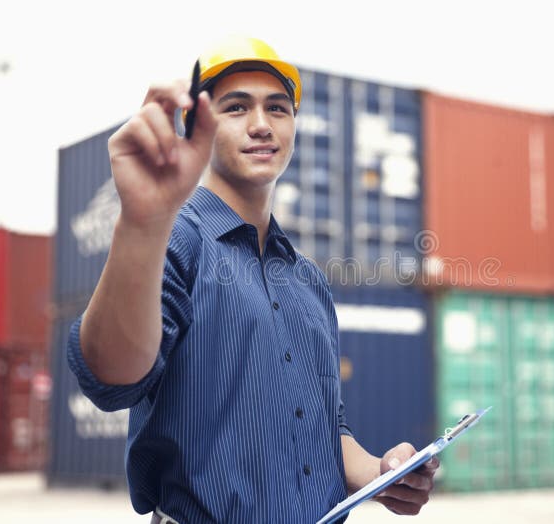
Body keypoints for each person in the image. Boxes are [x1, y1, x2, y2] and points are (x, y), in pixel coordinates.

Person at [67, 35, 438, 523]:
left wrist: (383, 473)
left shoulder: (310, 283)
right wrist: (140, 223)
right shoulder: (173, 240)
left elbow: (326, 430)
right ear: (195, 126)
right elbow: (111, 379)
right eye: (236, 107)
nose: (261, 125)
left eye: (278, 109)